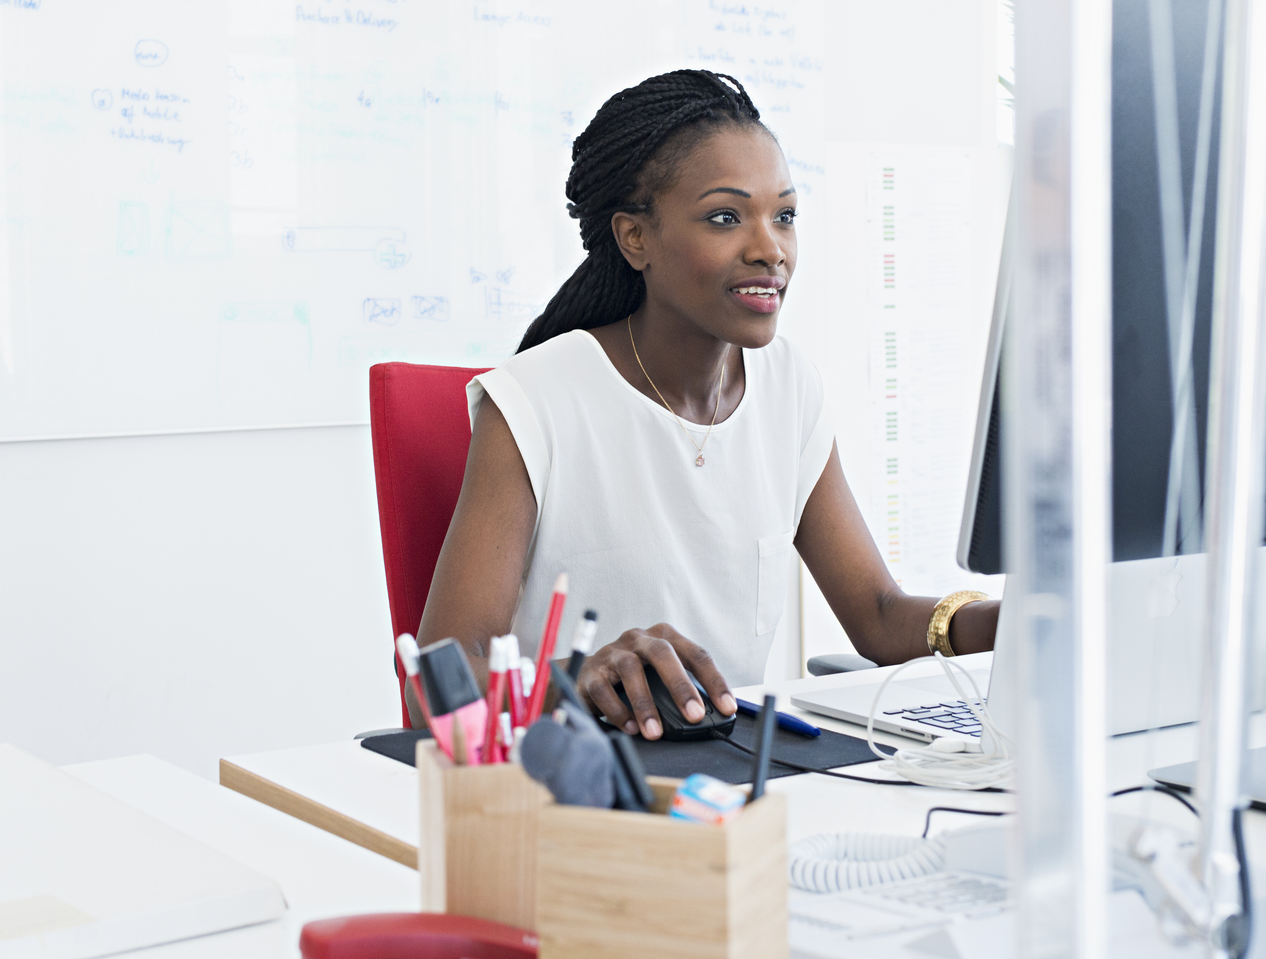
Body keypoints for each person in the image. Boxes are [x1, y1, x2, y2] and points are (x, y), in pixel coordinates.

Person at [416, 69, 999, 738]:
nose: (769, 248)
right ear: (635, 237)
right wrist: (572, 680)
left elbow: (876, 611)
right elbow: (446, 671)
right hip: (580, 786)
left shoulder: (790, 387)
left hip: (738, 778)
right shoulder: (535, 401)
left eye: (784, 215)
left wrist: (1015, 622)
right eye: (726, 216)